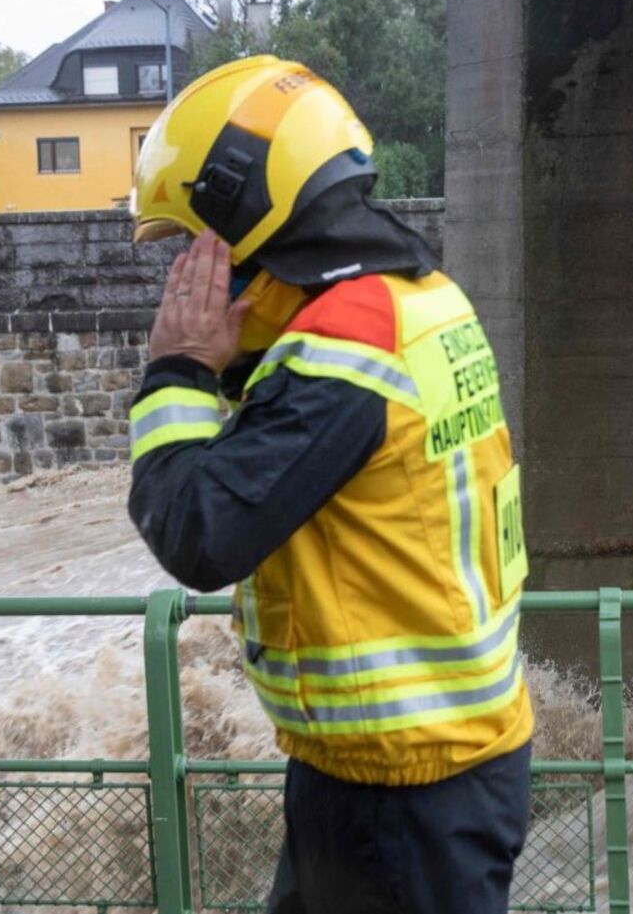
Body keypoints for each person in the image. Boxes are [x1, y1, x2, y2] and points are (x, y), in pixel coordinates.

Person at [124, 55, 534, 914]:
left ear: (248, 220)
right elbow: (310, 451)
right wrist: (231, 367)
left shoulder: (346, 351)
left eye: (197, 242)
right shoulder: (417, 300)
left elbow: (202, 529)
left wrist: (178, 371)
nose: (192, 275)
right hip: (406, 768)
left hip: (403, 793)